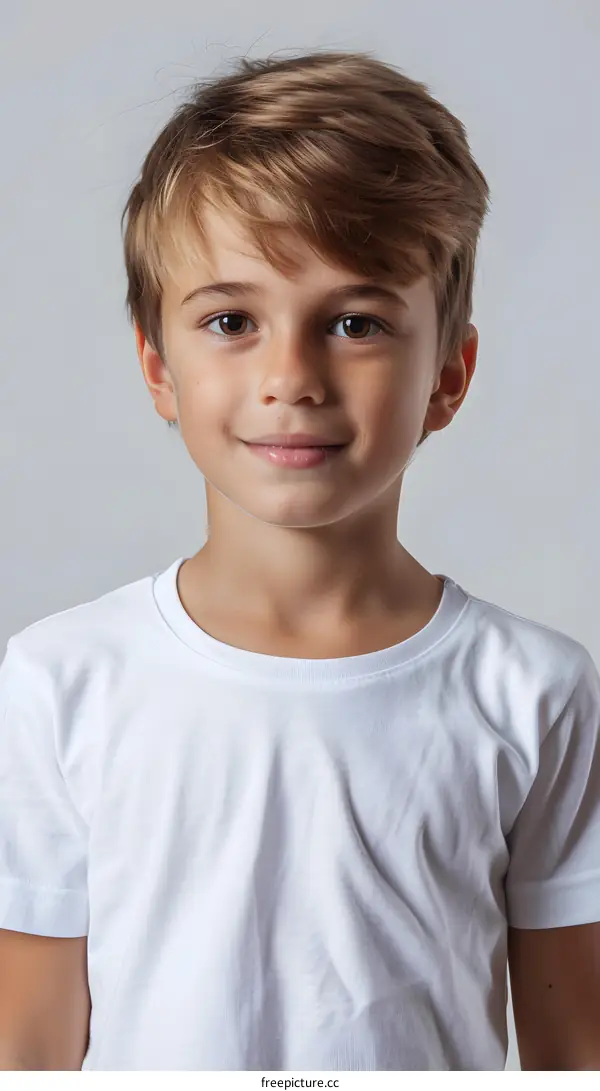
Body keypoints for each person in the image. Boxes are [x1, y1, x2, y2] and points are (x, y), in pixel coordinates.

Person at [1, 48, 599, 1074]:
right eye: (231, 320)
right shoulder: (58, 682)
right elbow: (29, 1045)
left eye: (355, 322)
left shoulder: (536, 691)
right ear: (159, 366)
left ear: (448, 375)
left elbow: (574, 1047)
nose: (292, 376)